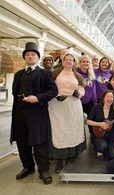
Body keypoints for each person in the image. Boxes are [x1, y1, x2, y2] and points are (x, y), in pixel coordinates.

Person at [10, 42, 58, 184]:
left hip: (36, 113)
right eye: (27, 54)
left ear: (37, 58)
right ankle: (28, 167)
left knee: (39, 143)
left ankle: (43, 170)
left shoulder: (45, 73)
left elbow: (53, 91)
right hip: (19, 113)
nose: (30, 56)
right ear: (25, 57)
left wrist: (37, 98)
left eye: (33, 54)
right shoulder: (18, 74)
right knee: (22, 142)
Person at [48, 53, 86, 173]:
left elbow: (82, 88)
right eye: (66, 60)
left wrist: (79, 93)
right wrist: (55, 95)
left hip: (73, 106)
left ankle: (70, 157)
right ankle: (59, 160)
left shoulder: (77, 75)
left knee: (72, 130)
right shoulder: (55, 73)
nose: (69, 62)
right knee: (59, 130)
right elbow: (49, 86)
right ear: (62, 61)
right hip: (57, 105)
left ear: (74, 62)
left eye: (71, 60)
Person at [86, 90, 114, 159]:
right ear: (104, 98)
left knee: (113, 155)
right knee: (102, 147)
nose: (110, 98)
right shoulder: (96, 107)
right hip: (98, 134)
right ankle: (100, 147)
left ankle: (106, 148)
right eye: (108, 96)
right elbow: (88, 121)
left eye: (111, 97)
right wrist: (100, 124)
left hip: (111, 135)